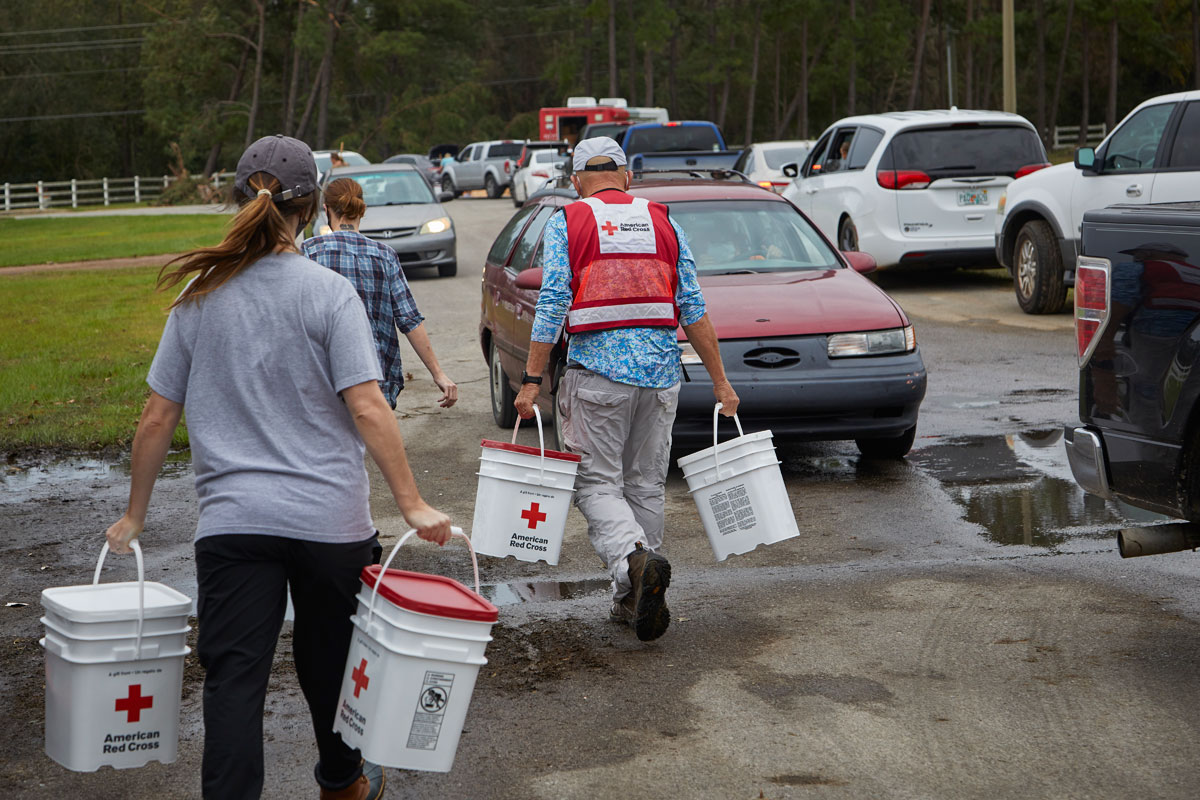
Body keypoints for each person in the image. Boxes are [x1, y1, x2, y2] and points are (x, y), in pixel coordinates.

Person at [103, 134, 451, 800]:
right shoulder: (328, 293)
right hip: (332, 524)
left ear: (240, 199)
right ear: (312, 207)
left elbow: (156, 416)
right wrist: (409, 502)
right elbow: (370, 406)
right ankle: (342, 782)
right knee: (330, 667)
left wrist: (135, 514)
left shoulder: (198, 299)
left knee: (235, 679)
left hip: (234, 528)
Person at [514, 136, 739, 642]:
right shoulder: (664, 221)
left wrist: (531, 380)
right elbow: (694, 309)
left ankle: (632, 562)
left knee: (596, 485)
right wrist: (722, 383)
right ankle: (633, 595)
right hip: (661, 379)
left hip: (597, 377)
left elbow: (551, 305)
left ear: (576, 183)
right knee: (644, 486)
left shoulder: (567, 222)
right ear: (626, 176)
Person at [301, 177, 457, 410]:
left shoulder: (310, 252)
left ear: (326, 210)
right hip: (374, 379)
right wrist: (438, 374)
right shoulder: (384, 255)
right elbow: (409, 320)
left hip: (323, 378)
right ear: (362, 211)